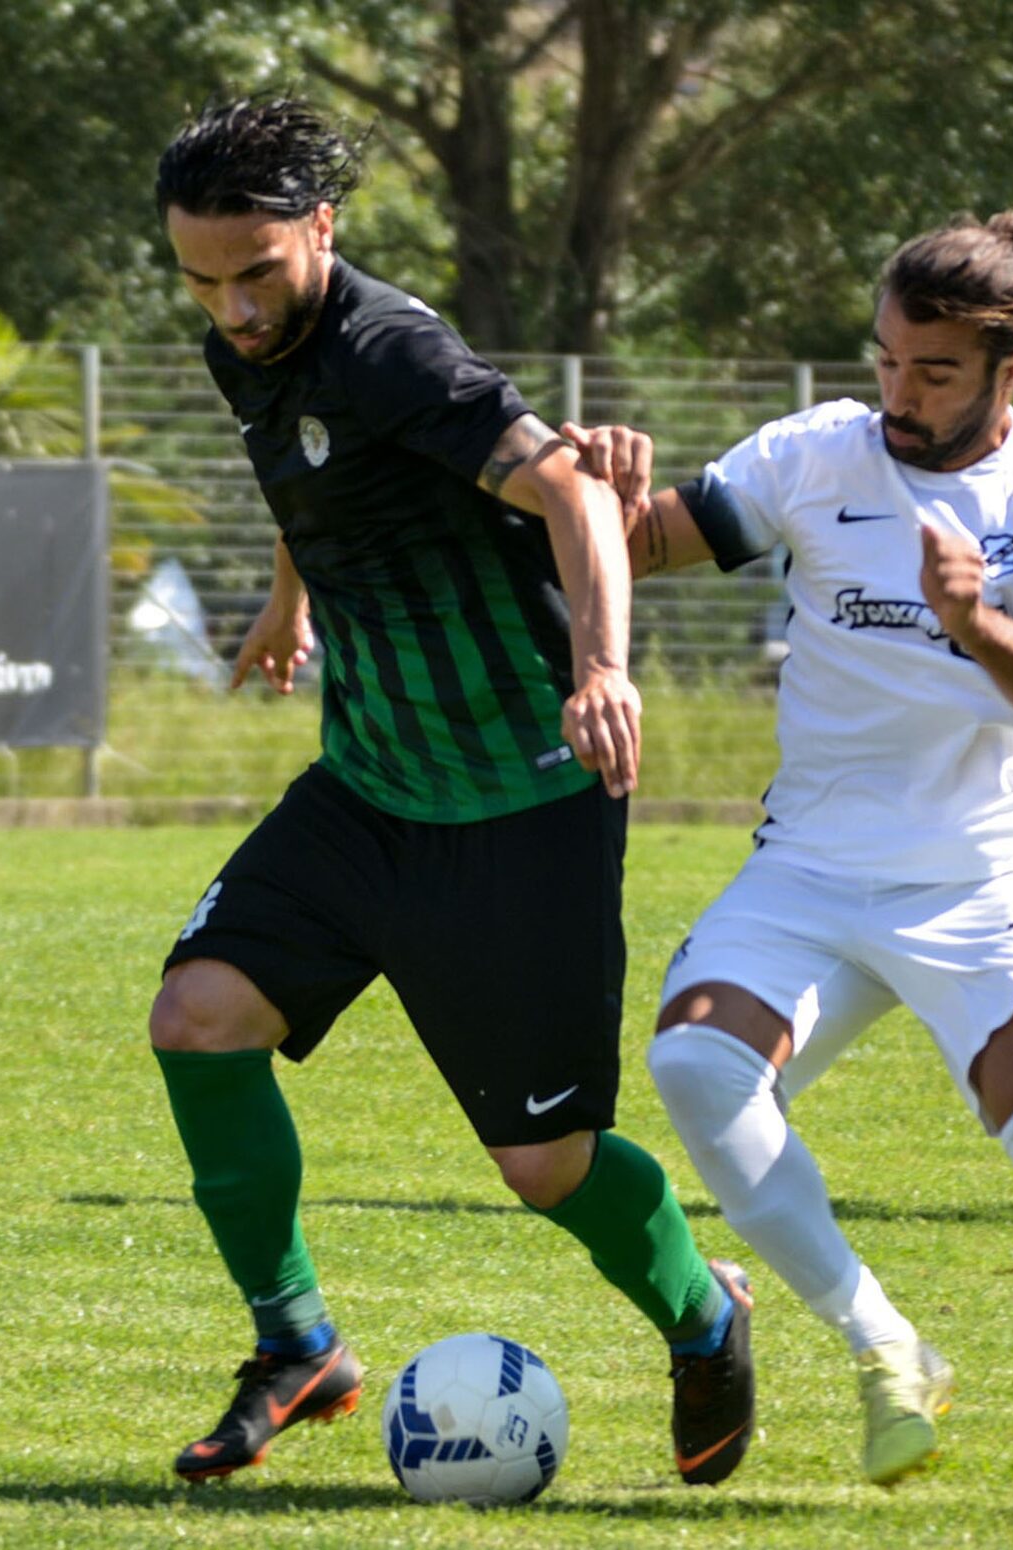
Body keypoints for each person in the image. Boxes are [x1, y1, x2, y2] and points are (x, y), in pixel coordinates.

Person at [146, 97, 754, 1489]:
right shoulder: (250, 349)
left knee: (545, 1164)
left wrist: (601, 668)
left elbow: (575, 493)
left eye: (256, 272)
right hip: (370, 783)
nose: (232, 308)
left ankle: (704, 1311)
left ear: (322, 228)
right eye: (200, 278)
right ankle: (295, 1340)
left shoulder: (391, 351)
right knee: (198, 1015)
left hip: (518, 800)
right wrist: (290, 600)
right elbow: (305, 480)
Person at [570, 212, 1013, 1528]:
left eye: (934, 371)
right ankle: (884, 1339)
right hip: (812, 870)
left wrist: (973, 620)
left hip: (981, 879)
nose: (900, 393)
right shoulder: (812, 454)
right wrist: (592, 493)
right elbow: (643, 542)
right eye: (887, 360)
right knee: (694, 1062)